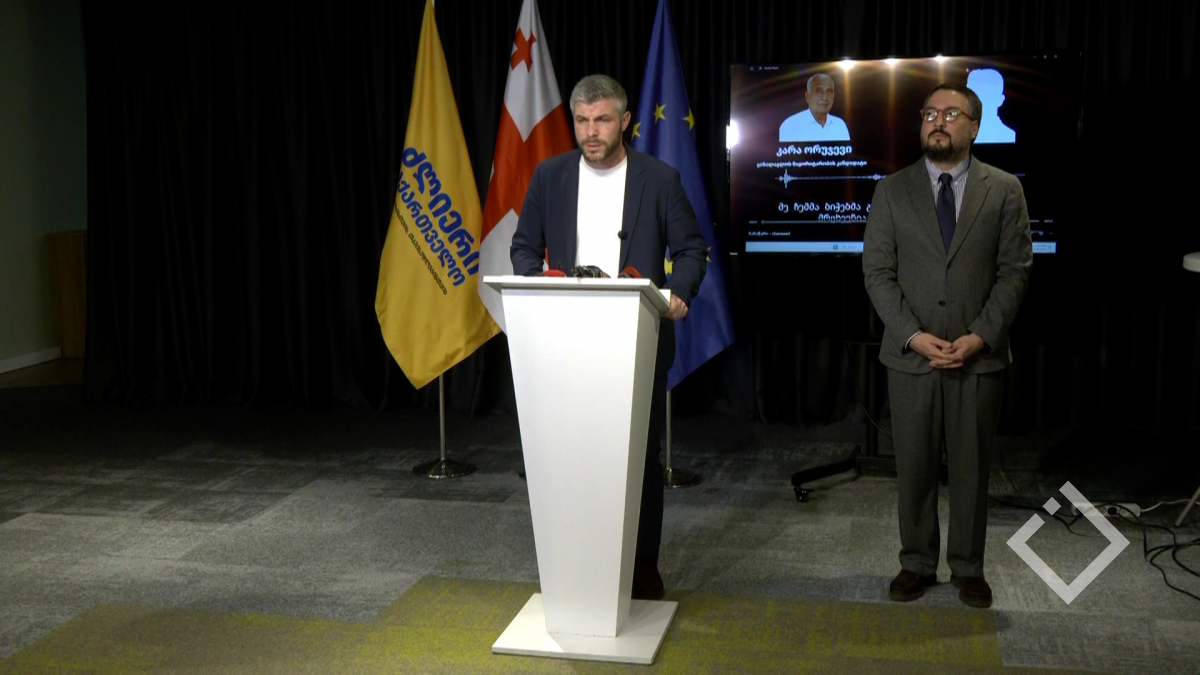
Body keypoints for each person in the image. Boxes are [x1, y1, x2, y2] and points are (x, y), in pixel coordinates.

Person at [510, 74, 708, 601]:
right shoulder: (549, 176)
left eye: (601, 120)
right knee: (568, 455)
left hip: (636, 340)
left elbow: (691, 250)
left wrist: (679, 292)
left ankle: (641, 564)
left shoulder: (658, 178)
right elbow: (524, 249)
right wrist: (537, 285)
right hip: (564, 342)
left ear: (624, 121)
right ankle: (574, 561)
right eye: (581, 121)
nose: (590, 132)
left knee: (637, 458)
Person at [862, 83, 1032, 609]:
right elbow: (878, 273)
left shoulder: (1004, 190)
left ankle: (968, 567)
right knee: (913, 468)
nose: (937, 121)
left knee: (971, 470)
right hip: (911, 358)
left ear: (974, 127)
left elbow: (1015, 271)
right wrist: (913, 336)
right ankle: (915, 562)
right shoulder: (891, 190)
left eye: (951, 113)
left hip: (977, 358)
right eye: (930, 113)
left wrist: (980, 335)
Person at [778, 73, 850, 142]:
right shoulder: (790, 125)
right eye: (819, 91)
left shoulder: (840, 125)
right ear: (807, 96)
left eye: (829, 91)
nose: (825, 97)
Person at [966, 69, 1016, 144]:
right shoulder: (959, 133)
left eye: (985, 94)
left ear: (1000, 100)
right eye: (972, 93)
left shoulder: (1008, 134)